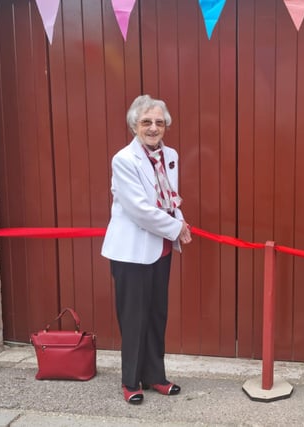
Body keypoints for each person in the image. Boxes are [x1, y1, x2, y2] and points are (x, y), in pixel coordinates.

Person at [101, 95, 192, 404]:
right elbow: (139, 209)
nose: (154, 128)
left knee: (156, 314)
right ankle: (130, 382)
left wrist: (179, 222)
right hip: (131, 251)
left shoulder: (171, 155)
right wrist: (176, 228)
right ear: (134, 125)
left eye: (159, 122)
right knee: (133, 317)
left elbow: (171, 197)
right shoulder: (123, 159)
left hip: (161, 249)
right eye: (146, 122)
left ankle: (155, 376)